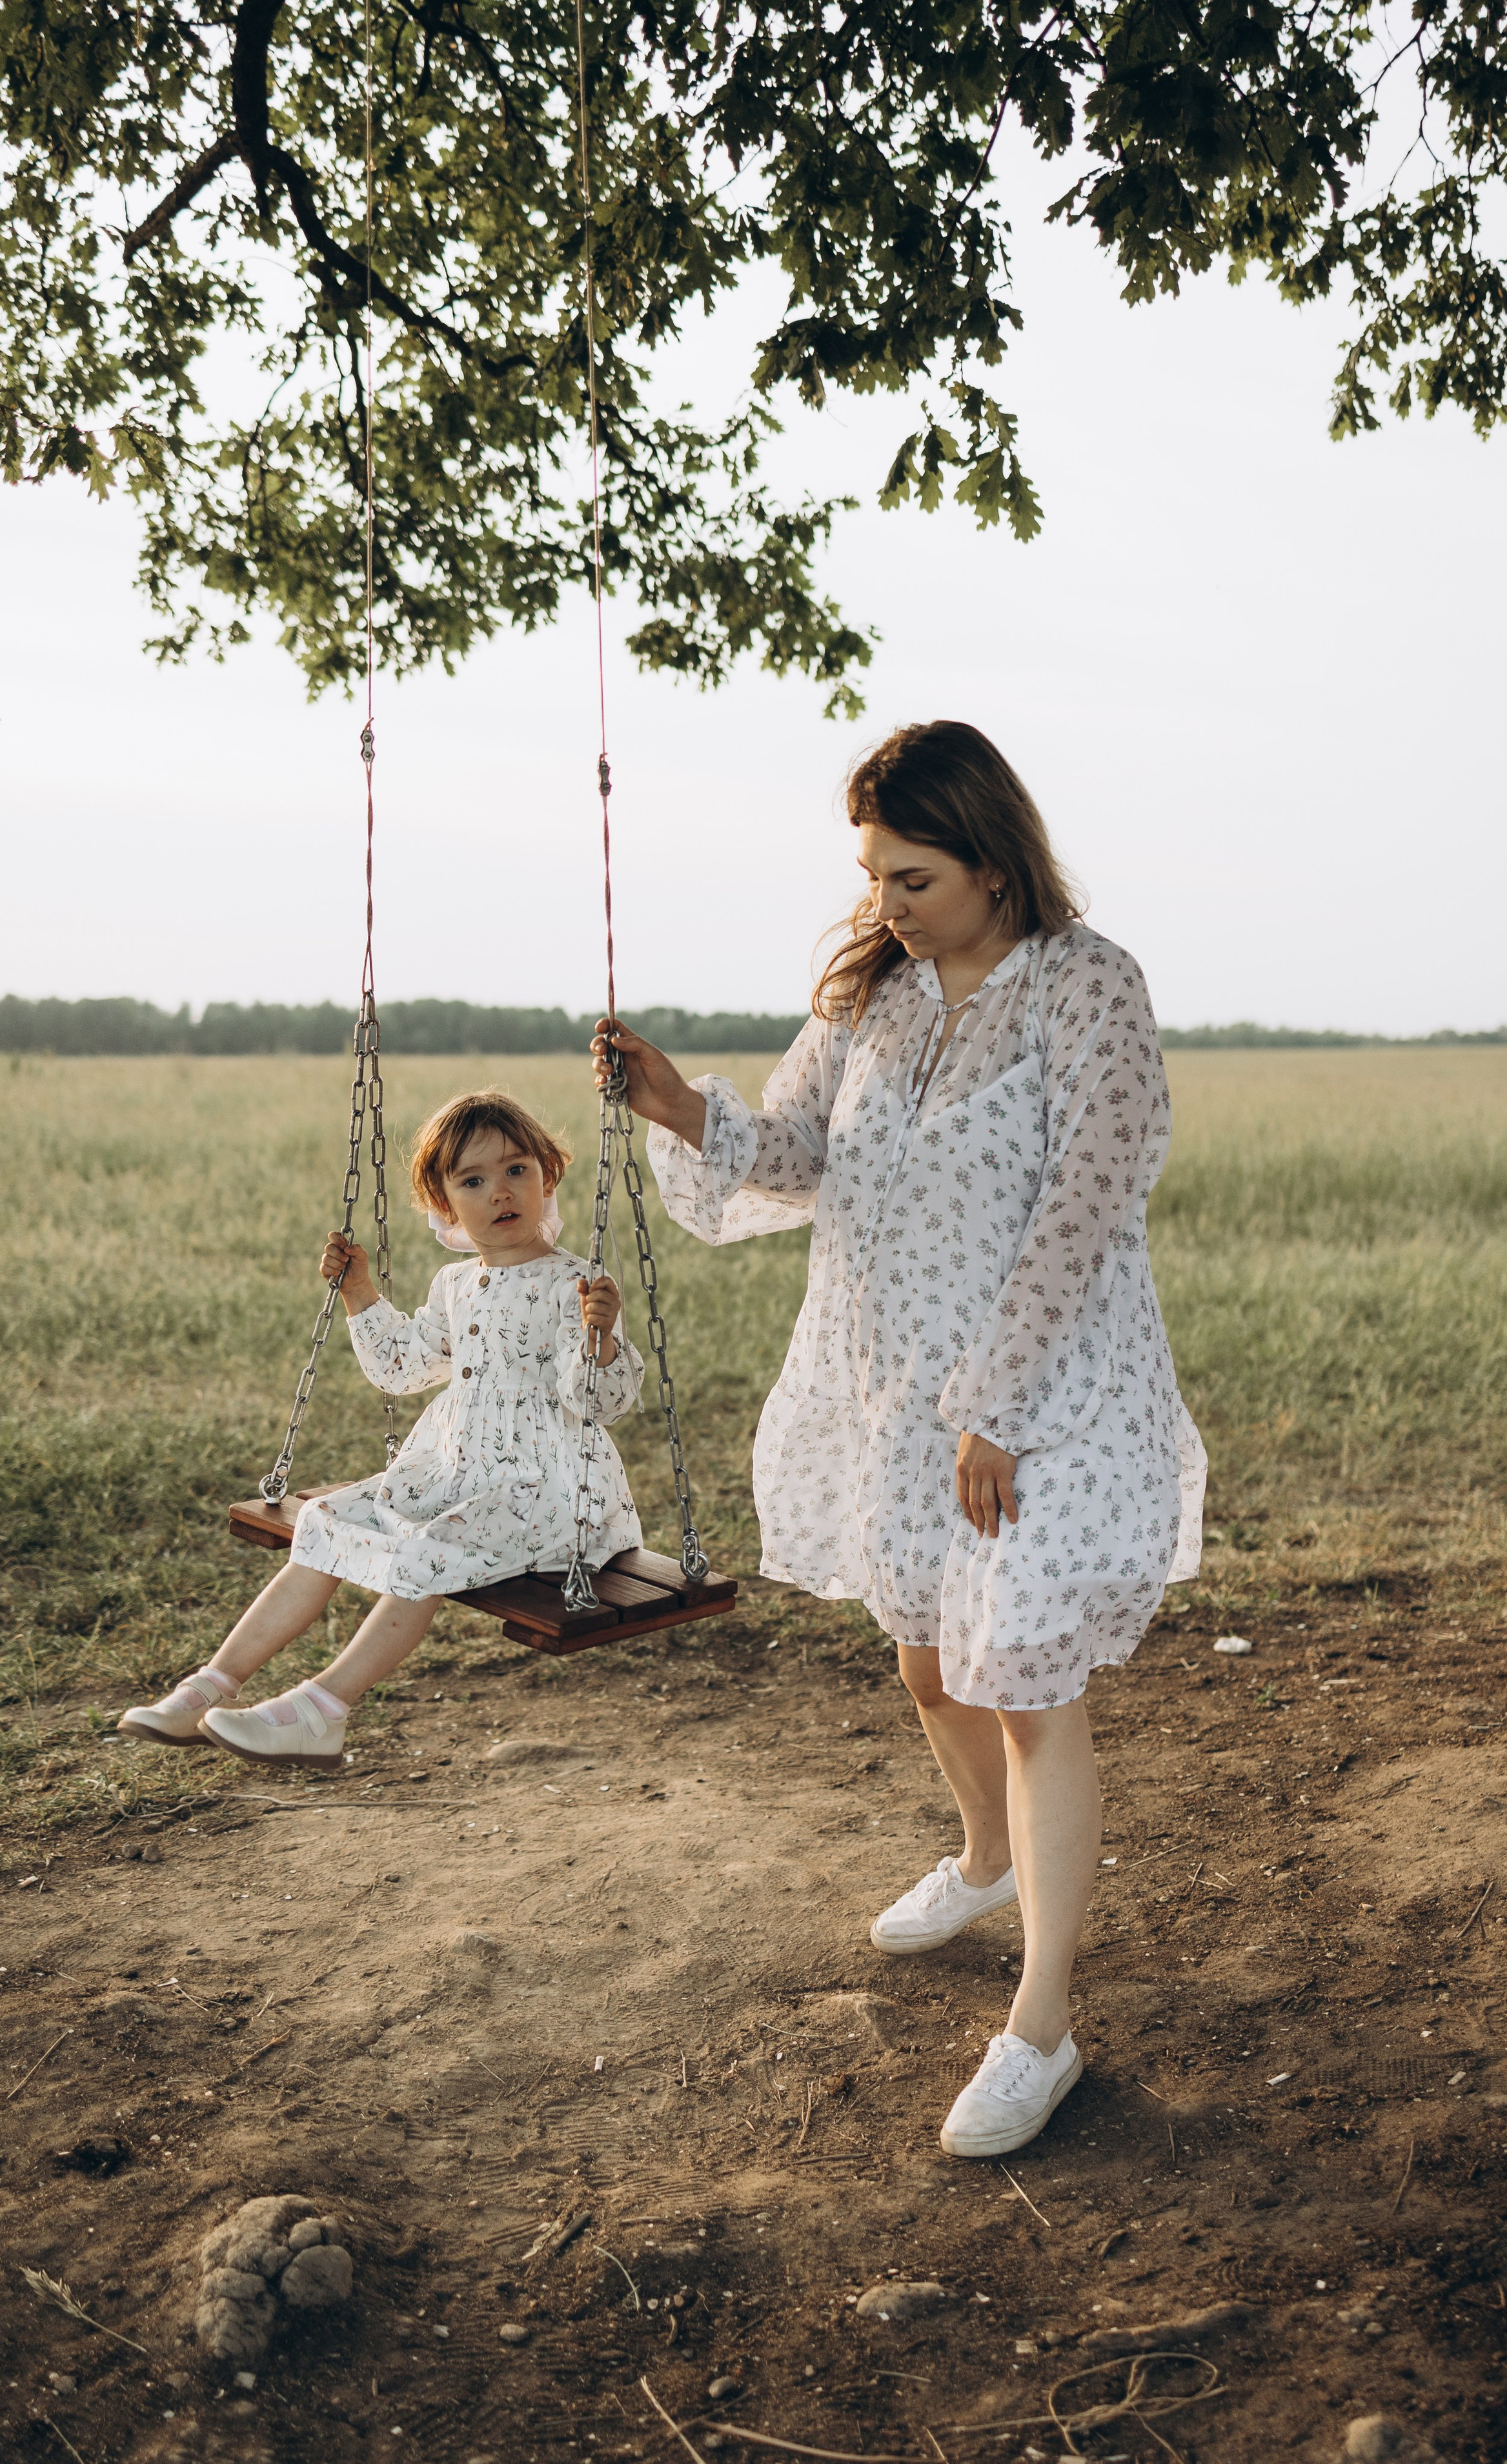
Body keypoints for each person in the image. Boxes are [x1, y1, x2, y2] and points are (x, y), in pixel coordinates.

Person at [593, 721, 1204, 2159]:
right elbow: (803, 1154)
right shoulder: (873, 996)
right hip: (888, 1385)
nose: (884, 904)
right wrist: (678, 1106)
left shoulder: (1087, 988)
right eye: (872, 875)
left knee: (1026, 1689)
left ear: (994, 862)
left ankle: (1041, 2029)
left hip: (1041, 1400)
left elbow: (1085, 1206)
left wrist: (996, 1407)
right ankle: (986, 1858)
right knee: (927, 1659)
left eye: (911, 877)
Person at [117, 1089, 642, 1769]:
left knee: (425, 1551)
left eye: (517, 1170)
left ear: (549, 1173)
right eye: (473, 1181)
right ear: (445, 1205)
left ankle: (322, 1711)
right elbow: (406, 1367)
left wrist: (601, 1339)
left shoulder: (577, 1283)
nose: (500, 1192)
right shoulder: (456, 1284)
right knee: (323, 1518)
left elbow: (599, 1402)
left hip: (547, 1492)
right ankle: (211, 1686)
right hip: (456, 1471)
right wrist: (360, 1291)